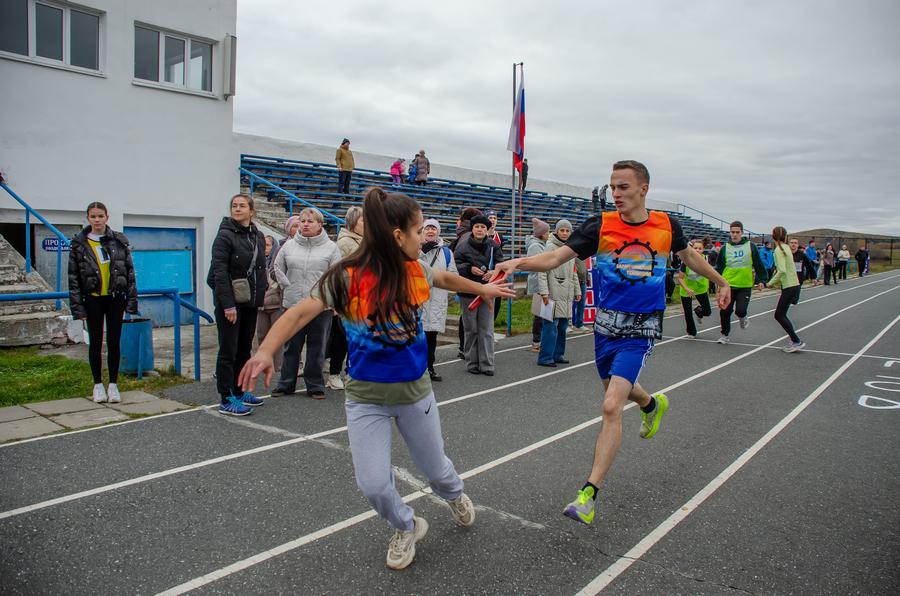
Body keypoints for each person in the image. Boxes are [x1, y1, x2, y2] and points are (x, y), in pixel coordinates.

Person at [238, 188, 514, 570]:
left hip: (414, 395)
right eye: (418, 231)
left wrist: (483, 287)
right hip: (365, 398)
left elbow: (445, 279)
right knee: (373, 485)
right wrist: (265, 350)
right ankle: (406, 526)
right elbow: (300, 313)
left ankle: (454, 494)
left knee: (437, 472)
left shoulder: (416, 269)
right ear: (398, 235)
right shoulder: (345, 276)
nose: (423, 238)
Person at [492, 160, 730, 525]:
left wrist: (720, 281)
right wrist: (518, 262)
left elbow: (690, 256)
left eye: (623, 187)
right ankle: (651, 404)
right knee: (619, 391)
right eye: (612, 187)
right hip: (605, 326)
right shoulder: (600, 225)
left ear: (643, 189)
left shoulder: (667, 225)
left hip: (642, 326)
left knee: (610, 406)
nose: (615, 194)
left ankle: (588, 495)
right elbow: (555, 256)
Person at [68, 202, 138, 404]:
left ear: (107, 217)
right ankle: (98, 385)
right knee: (96, 342)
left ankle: (113, 385)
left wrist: (131, 302)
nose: (97, 220)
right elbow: (73, 278)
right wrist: (78, 307)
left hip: (115, 298)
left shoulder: (118, 240)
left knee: (114, 341)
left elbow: (129, 273)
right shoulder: (79, 244)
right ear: (87, 218)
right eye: (93, 216)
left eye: (100, 216)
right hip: (92, 299)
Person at [206, 194, 268, 415]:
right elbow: (219, 273)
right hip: (231, 303)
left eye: (242, 206)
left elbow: (260, 270)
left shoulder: (258, 236)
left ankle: (240, 391)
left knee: (244, 349)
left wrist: (260, 296)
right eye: (234, 206)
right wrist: (227, 305)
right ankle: (226, 397)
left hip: (250, 302)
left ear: (251, 211)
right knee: (228, 350)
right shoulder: (224, 236)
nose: (237, 209)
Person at [271, 207, 341, 399]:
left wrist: (331, 300)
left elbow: (336, 276)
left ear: (320, 224)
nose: (305, 224)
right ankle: (286, 383)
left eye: (310, 221)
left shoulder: (331, 248)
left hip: (319, 307)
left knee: (317, 348)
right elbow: (277, 267)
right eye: (302, 221)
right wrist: (287, 285)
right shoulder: (288, 246)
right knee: (291, 347)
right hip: (293, 304)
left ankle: (315, 385)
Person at [454, 214, 504, 375]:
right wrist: (469, 269)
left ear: (487, 229)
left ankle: (487, 364)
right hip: (468, 292)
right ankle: (472, 363)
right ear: (472, 229)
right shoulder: (461, 246)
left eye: (483, 227)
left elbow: (501, 265)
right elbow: (456, 265)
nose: (480, 230)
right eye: (477, 227)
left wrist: (493, 272)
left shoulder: (494, 246)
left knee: (486, 329)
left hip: (488, 292)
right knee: (471, 329)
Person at [327, 205, 364, 390]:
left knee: (357, 339)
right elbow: (336, 273)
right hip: (346, 297)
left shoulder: (365, 241)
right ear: (353, 222)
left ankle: (351, 373)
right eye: (364, 221)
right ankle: (334, 374)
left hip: (363, 297)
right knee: (342, 338)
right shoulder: (344, 243)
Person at [714, 221, 768, 345]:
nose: (735, 234)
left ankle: (742, 316)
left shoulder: (750, 246)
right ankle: (724, 334)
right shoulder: (725, 248)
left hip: (744, 284)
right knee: (725, 311)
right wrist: (717, 281)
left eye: (737, 232)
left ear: (742, 232)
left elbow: (758, 263)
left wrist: (762, 279)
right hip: (728, 285)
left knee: (740, 310)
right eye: (732, 232)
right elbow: (719, 266)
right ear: (730, 232)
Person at [536, 220, 580, 367]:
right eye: (562, 230)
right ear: (556, 231)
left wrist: (577, 290)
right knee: (550, 326)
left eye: (567, 231)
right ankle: (545, 357)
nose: (565, 233)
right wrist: (544, 291)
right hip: (553, 292)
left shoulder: (569, 249)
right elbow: (542, 270)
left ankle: (557, 354)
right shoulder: (550, 247)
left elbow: (573, 272)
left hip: (566, 293)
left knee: (562, 326)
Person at [419, 218, 458, 381]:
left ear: (438, 232)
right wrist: (422, 252)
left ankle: (430, 368)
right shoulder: (415, 249)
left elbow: (453, 275)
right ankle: (417, 369)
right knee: (417, 337)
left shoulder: (447, 253)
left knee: (432, 337)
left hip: (437, 301)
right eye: (427, 228)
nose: (430, 231)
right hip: (419, 301)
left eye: (433, 228)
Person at [765, 227, 805, 353]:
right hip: (794, 284)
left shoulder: (778, 250)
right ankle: (795, 340)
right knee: (781, 314)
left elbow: (782, 270)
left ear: (773, 237)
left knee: (779, 315)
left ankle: (796, 341)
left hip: (790, 285)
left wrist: (770, 283)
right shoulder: (786, 248)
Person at [449, 207, 482, 359]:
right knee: (470, 319)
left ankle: (466, 349)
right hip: (471, 281)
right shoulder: (468, 236)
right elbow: (465, 259)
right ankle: (468, 350)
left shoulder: (461, 232)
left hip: (464, 281)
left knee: (467, 317)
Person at [257, 235, 284, 373]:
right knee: (261, 335)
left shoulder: (276, 261)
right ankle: (264, 367)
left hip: (275, 305)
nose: (265, 248)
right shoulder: (257, 262)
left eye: (268, 245)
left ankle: (279, 368)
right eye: (263, 245)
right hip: (261, 306)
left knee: (278, 338)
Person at [677, 239, 711, 338]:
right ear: (692, 249)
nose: (697, 250)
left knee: (707, 311)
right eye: (695, 248)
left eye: (700, 248)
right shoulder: (686, 261)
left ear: (703, 250)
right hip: (687, 288)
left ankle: (698, 312)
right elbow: (680, 278)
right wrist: (686, 289)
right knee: (687, 312)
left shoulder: (706, 259)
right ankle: (691, 332)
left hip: (700, 287)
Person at [526, 218, 550, 352]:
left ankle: (540, 339)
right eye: (547, 231)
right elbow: (538, 264)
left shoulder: (541, 244)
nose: (549, 234)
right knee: (540, 314)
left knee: (543, 313)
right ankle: (536, 341)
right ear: (541, 233)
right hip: (538, 283)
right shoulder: (535, 246)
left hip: (541, 282)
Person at [789, 238, 817, 305]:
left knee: (794, 300)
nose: (793, 244)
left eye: (795, 243)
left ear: (798, 245)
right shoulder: (786, 254)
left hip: (798, 278)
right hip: (788, 278)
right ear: (789, 244)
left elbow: (809, 266)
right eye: (792, 243)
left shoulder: (802, 255)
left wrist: (813, 277)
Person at [572, 257, 588, 330]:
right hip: (573, 280)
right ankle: (567, 324)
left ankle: (579, 323)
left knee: (581, 303)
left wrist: (587, 278)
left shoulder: (583, 255)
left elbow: (585, 267)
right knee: (569, 303)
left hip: (583, 281)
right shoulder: (571, 254)